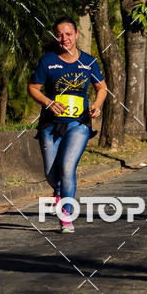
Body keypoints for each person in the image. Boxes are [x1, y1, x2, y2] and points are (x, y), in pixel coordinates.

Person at [28, 17, 107, 233]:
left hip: (78, 123)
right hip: (50, 124)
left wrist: (97, 105)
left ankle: (66, 216)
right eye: (60, 35)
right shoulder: (48, 61)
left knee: (67, 167)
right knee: (51, 174)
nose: (64, 39)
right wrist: (48, 102)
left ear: (76, 35)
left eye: (68, 34)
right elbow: (33, 88)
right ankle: (59, 191)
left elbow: (102, 88)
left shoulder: (88, 62)